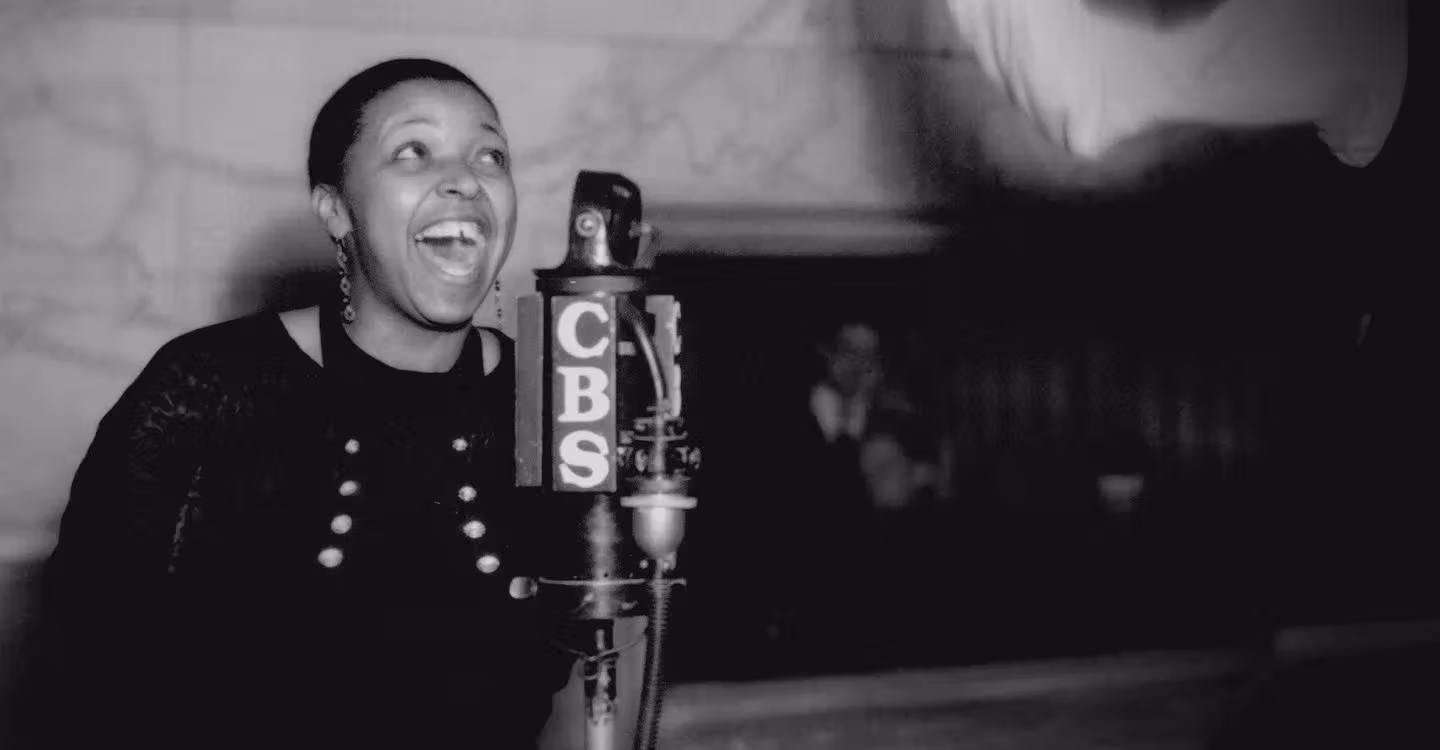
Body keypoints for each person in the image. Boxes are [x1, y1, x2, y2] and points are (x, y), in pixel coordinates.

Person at [19, 58, 574, 750]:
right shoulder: (206, 387)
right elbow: (87, 661)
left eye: (490, 156)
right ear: (334, 209)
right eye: (413, 151)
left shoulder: (555, 399)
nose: (465, 179)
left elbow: (601, 655)